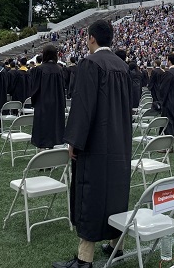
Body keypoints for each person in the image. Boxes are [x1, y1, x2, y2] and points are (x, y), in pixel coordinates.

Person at [54, 20, 133, 268]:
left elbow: (83, 105)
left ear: (91, 38)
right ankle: (115, 245)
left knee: (91, 194)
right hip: (119, 140)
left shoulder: (90, 63)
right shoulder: (122, 66)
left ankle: (84, 258)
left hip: (96, 143)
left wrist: (74, 141)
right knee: (115, 193)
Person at [30, 45, 65, 149]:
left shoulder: (39, 69)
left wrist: (35, 102)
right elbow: (62, 89)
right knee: (54, 128)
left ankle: (43, 153)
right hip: (57, 104)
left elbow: (35, 88)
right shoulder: (60, 70)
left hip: (43, 104)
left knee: (43, 130)